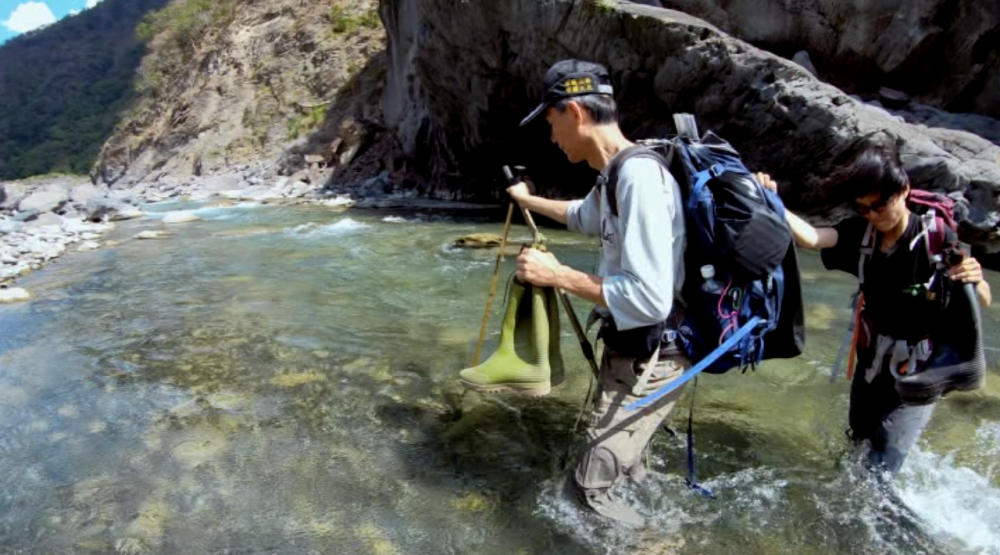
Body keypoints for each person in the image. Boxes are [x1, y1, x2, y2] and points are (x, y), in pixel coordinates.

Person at [508, 59, 688, 526]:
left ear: (574, 112)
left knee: (588, 493)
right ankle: (655, 526)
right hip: (631, 352)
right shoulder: (613, 176)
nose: (552, 138)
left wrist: (556, 274)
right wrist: (526, 200)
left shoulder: (638, 178)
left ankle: (662, 543)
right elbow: (579, 217)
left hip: (655, 358)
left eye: (551, 123)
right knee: (623, 472)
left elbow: (650, 299)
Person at [757, 138, 992, 475]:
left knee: (882, 466)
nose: (873, 215)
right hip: (871, 362)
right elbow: (811, 237)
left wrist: (975, 276)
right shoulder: (861, 237)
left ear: (904, 190)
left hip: (920, 368)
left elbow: (981, 298)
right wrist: (772, 199)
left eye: (880, 204)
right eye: (863, 207)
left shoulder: (937, 239)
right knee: (858, 443)